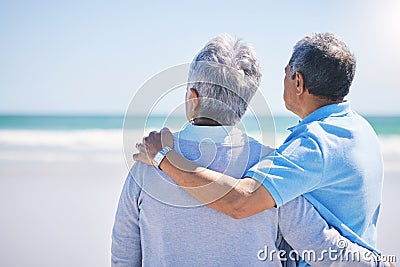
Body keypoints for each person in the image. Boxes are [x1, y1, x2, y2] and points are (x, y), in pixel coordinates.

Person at [122, 34, 388, 266]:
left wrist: (163, 158)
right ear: (245, 104)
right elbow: (317, 243)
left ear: (192, 97)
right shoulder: (352, 132)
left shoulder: (145, 165)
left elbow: (124, 254)